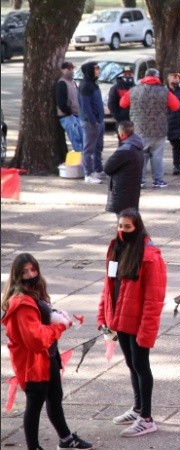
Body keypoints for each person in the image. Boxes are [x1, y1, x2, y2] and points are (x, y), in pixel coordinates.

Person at [1, 253, 95, 450]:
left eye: (33, 270)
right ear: (17, 275)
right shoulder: (21, 303)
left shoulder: (35, 292)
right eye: (24, 272)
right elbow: (36, 339)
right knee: (35, 404)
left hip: (48, 356)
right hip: (33, 363)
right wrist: (60, 327)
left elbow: (43, 318)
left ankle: (66, 439)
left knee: (54, 397)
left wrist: (57, 315)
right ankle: (34, 447)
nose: (30, 275)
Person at [97, 207, 167, 437]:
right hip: (120, 319)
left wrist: (146, 330)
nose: (123, 230)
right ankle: (138, 408)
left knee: (141, 366)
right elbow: (108, 287)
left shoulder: (150, 256)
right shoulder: (116, 248)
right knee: (131, 364)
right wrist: (104, 317)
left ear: (137, 227)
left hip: (138, 322)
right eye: (120, 226)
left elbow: (154, 298)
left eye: (128, 226)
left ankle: (146, 418)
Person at [120, 68, 180, 189]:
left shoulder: (134, 90)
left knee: (141, 156)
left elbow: (122, 103)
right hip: (159, 130)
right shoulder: (164, 91)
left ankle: (140, 181)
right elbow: (176, 106)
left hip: (139, 129)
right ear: (157, 77)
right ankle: (158, 180)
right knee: (157, 156)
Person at [103, 121, 145, 215]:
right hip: (133, 189)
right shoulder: (137, 146)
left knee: (124, 217)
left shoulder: (124, 150)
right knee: (131, 216)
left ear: (121, 132)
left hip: (122, 190)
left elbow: (107, 168)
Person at [78, 61, 105, 185]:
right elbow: (85, 107)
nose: (98, 71)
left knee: (98, 148)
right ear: (90, 71)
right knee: (88, 150)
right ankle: (88, 174)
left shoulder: (93, 84)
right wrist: (93, 121)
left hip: (98, 122)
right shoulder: (85, 86)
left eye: (98, 68)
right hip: (90, 123)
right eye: (96, 69)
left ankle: (98, 170)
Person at [55, 61, 84, 153]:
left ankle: (85, 158)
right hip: (67, 117)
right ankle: (80, 158)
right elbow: (61, 103)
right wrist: (69, 112)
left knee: (83, 138)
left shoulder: (73, 82)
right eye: (69, 68)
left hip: (77, 115)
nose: (71, 70)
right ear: (63, 70)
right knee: (76, 140)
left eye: (72, 68)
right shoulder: (62, 83)